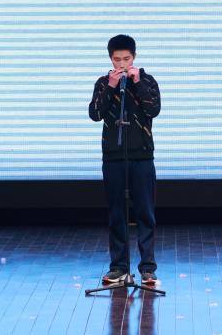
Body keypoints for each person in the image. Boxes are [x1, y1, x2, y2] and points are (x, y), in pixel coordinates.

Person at [88, 33, 161, 286]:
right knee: (117, 213)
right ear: (110, 58)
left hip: (142, 156)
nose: (122, 64)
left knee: (145, 212)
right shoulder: (103, 82)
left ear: (134, 57)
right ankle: (119, 267)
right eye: (117, 59)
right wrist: (110, 86)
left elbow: (154, 109)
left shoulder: (147, 81)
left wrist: (137, 83)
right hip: (113, 157)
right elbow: (95, 113)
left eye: (126, 59)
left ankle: (148, 269)